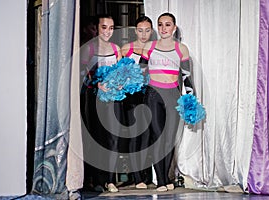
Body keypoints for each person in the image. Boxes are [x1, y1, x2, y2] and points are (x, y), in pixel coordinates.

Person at [139, 12, 194, 192]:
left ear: (174, 28)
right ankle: (161, 181)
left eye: (168, 24)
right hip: (153, 96)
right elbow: (139, 71)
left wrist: (190, 100)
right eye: (161, 25)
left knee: (169, 139)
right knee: (157, 138)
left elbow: (186, 78)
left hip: (173, 97)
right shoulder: (149, 46)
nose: (164, 28)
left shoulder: (182, 49)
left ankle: (166, 177)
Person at [80, 14, 122, 193]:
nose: (108, 31)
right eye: (104, 27)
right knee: (97, 138)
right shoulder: (88, 48)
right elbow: (80, 74)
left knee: (113, 138)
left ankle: (111, 180)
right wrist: (96, 84)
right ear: (97, 28)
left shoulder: (116, 48)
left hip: (113, 99)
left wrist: (121, 82)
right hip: (95, 98)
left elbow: (122, 72)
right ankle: (98, 180)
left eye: (111, 28)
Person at [120, 16, 154, 189]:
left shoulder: (154, 48)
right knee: (135, 135)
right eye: (140, 30)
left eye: (147, 30)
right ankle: (137, 177)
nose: (143, 34)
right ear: (135, 30)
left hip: (149, 95)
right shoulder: (126, 49)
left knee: (147, 136)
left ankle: (145, 174)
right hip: (131, 97)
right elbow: (118, 73)